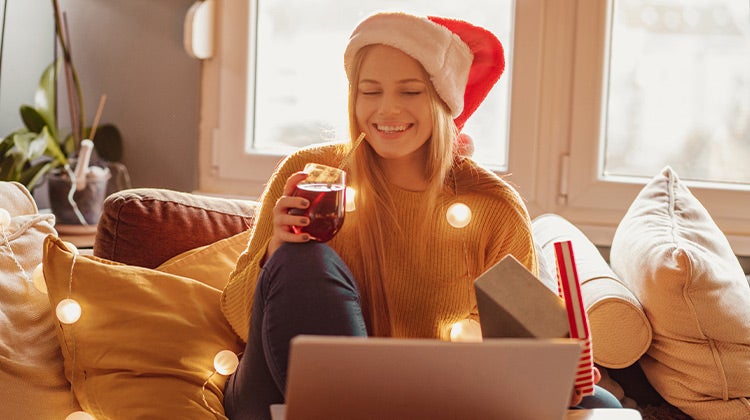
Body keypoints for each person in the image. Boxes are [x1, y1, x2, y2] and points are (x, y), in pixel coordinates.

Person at [220, 11, 621, 419]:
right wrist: (275, 249)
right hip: (281, 394)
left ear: (442, 100)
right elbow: (237, 318)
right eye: (370, 91)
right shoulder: (309, 176)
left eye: (410, 92)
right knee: (306, 261)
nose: (387, 110)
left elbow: (520, 354)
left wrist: (557, 374)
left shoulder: (493, 208)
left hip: (422, 401)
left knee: (600, 405)